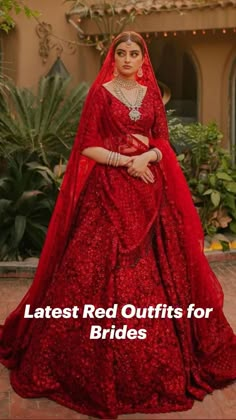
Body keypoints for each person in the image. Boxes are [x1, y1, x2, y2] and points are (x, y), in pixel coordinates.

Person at [0, 31, 235, 419]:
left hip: (149, 193)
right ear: (114, 57)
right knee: (90, 266)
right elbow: (86, 145)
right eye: (122, 53)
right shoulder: (101, 93)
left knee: (167, 266)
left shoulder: (151, 94)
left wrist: (148, 157)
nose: (128, 59)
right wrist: (127, 160)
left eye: (134, 53)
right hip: (107, 192)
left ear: (144, 59)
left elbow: (162, 139)